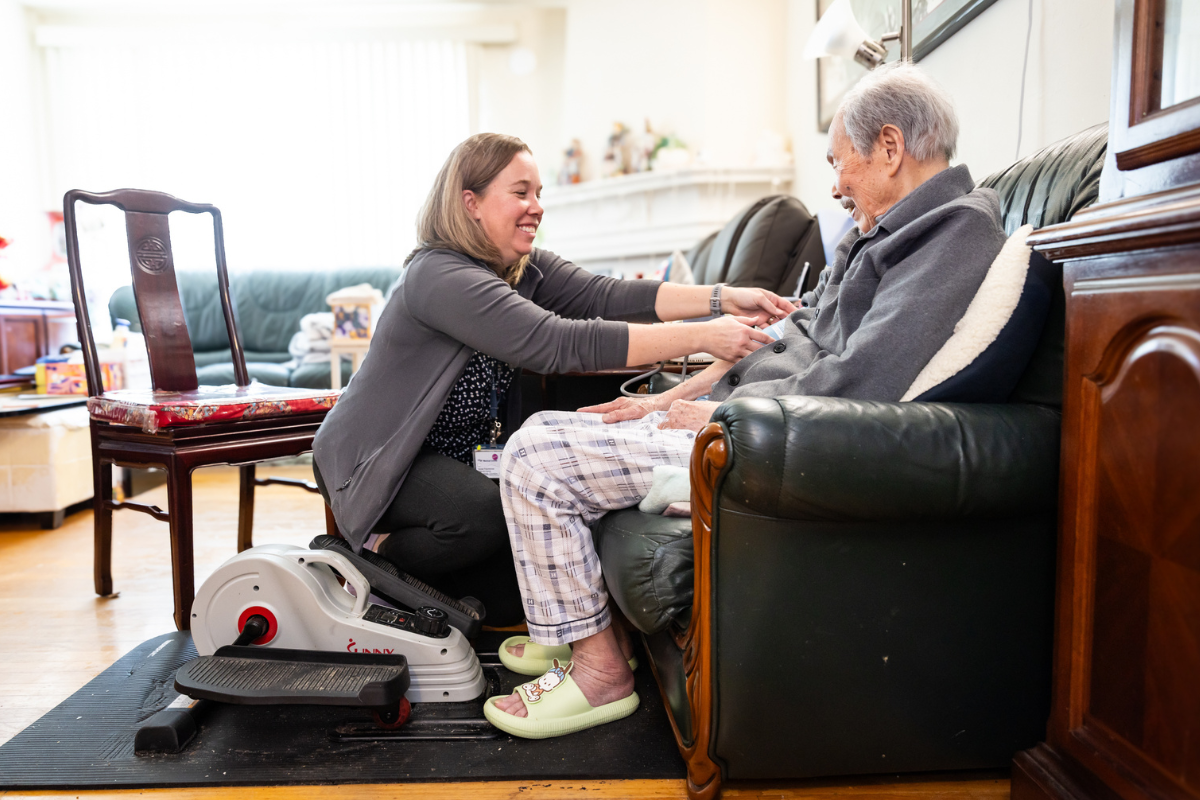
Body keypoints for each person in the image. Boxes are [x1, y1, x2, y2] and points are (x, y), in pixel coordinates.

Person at [485, 62, 1008, 736]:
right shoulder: (884, 232)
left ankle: (600, 674)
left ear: (889, 146)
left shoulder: (953, 235)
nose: (835, 183)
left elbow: (862, 384)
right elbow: (782, 336)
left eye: (838, 161)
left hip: (765, 439)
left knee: (533, 456)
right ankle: (578, 629)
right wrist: (666, 400)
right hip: (744, 419)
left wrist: (717, 415)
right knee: (553, 426)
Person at [312, 132, 795, 627]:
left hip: (456, 455)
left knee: (514, 592)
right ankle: (373, 558)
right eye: (521, 193)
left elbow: (605, 297)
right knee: (483, 516)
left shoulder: (521, 269)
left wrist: (723, 299)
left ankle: (425, 591)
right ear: (470, 203)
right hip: (379, 459)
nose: (536, 207)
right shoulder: (439, 275)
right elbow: (557, 342)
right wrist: (703, 337)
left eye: (539, 193)